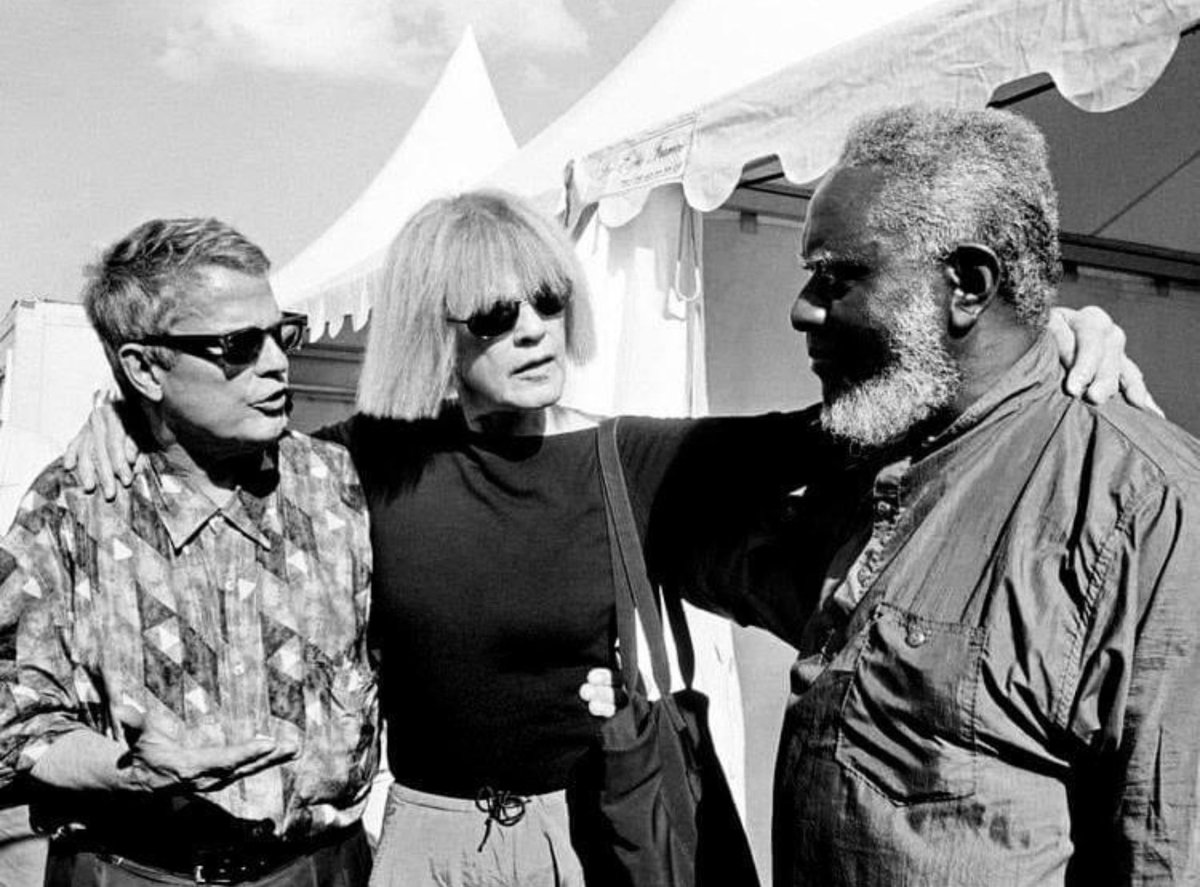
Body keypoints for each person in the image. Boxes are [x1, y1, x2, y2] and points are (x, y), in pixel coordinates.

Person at [68, 190, 1145, 887]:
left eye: (545, 300)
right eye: (494, 315)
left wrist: (1030, 333)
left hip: (590, 833)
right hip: (424, 841)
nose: (534, 329)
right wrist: (120, 418)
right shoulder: (355, 463)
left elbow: (843, 422)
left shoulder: (622, 456)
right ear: (431, 327)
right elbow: (198, 448)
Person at [677, 105, 1200, 885]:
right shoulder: (877, 466)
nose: (803, 310)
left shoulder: (1146, 508)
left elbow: (1168, 850)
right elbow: (692, 534)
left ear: (965, 284)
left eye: (837, 275)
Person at [0, 218, 378, 886]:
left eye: (279, 331)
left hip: (319, 870)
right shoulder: (72, 508)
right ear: (144, 367)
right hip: (132, 871)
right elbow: (14, 712)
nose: (277, 361)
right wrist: (126, 770)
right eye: (238, 345)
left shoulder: (343, 486)